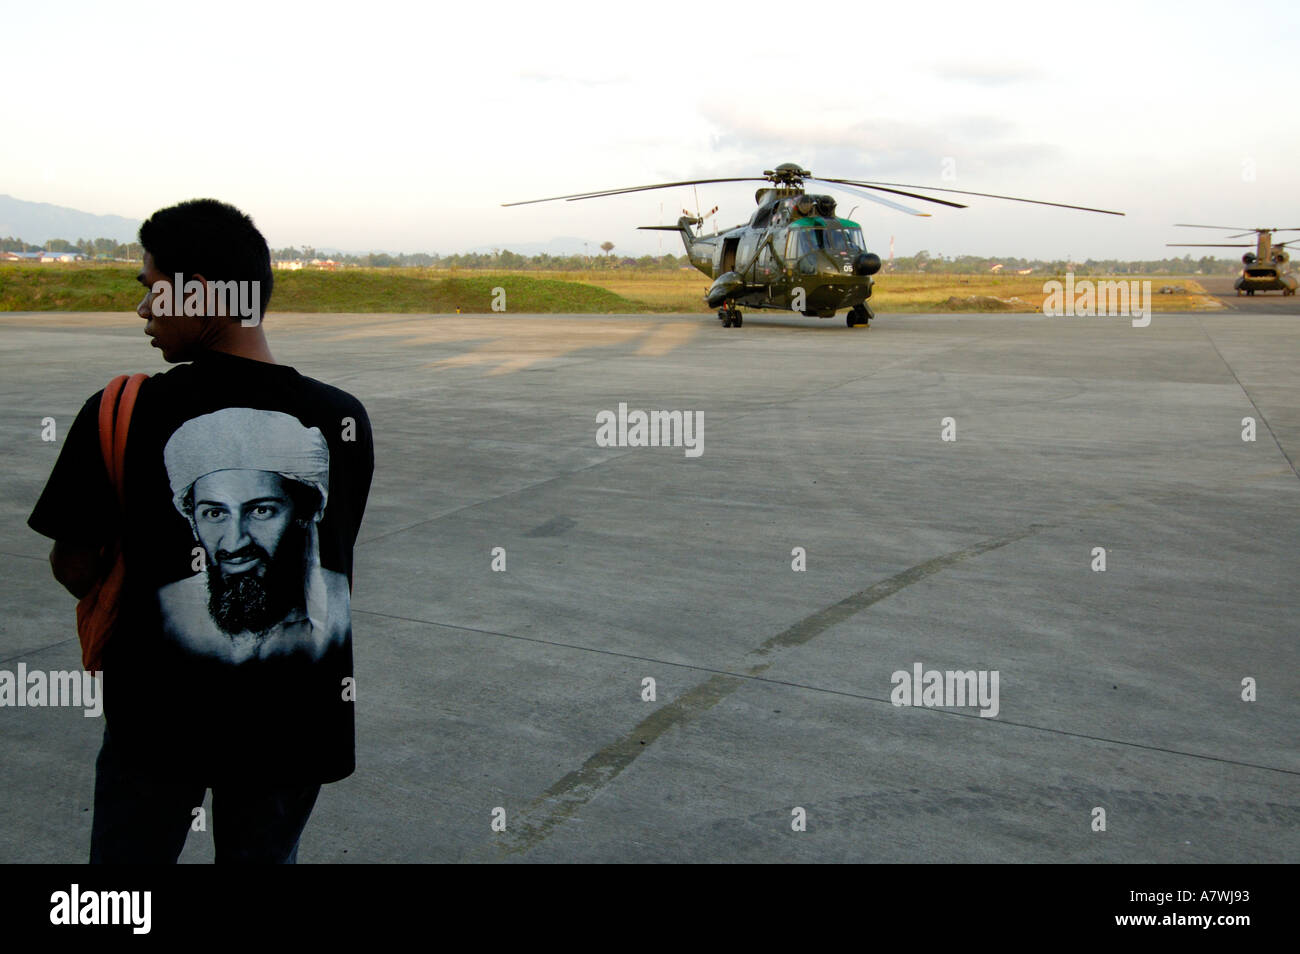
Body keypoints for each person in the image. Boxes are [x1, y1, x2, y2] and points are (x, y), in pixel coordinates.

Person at [28, 199, 374, 863]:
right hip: (295, 724)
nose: (144, 310)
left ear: (202, 293)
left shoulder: (121, 409)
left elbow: (73, 563)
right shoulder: (342, 419)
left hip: (155, 725)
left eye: (153, 288)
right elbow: (334, 546)